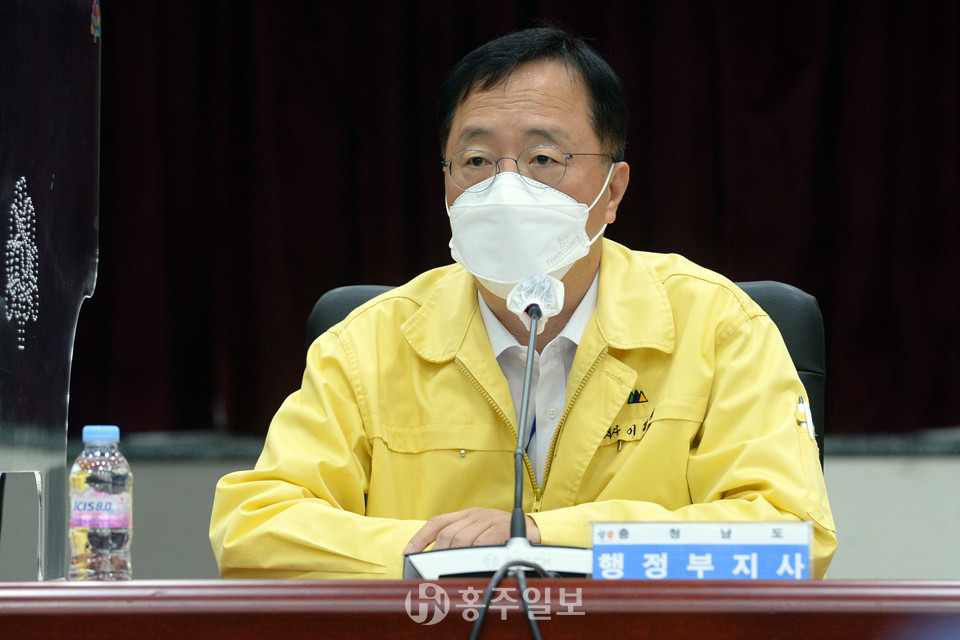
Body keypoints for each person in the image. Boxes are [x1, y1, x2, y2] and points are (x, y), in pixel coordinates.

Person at [210, 27, 837, 579]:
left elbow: (788, 539)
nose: (506, 186)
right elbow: (253, 530)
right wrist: (444, 556)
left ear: (613, 190)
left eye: (543, 158)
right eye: (476, 160)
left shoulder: (717, 326)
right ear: (445, 183)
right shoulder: (368, 343)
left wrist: (546, 539)